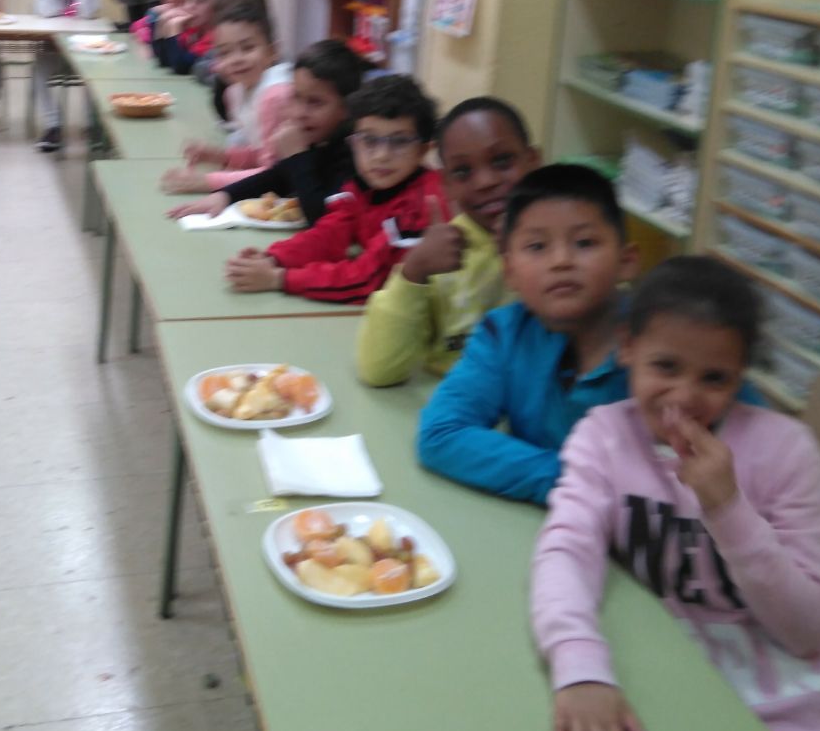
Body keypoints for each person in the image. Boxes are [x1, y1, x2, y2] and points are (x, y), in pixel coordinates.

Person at [532, 256, 820, 731]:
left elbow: (808, 632)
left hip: (807, 716)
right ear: (628, 347)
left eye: (714, 378)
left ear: (740, 376)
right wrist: (578, 665)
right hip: (682, 694)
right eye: (666, 367)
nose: (685, 397)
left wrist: (728, 509)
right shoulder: (602, 438)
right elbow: (566, 552)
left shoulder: (787, 453)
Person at [417, 164, 640, 502]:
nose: (561, 260)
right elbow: (441, 434)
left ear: (626, 261)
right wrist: (575, 482)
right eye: (537, 247)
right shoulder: (504, 333)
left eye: (584, 242)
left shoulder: (665, 347)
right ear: (509, 271)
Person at [356, 96, 541, 387]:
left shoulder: (566, 240)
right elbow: (379, 370)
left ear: (533, 161)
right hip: (458, 404)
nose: (486, 181)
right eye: (463, 171)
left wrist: (528, 251)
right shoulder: (441, 257)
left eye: (502, 161)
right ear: (447, 185)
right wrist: (414, 271)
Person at [225, 73, 441, 305]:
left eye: (399, 142)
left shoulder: (422, 205)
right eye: (369, 140)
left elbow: (370, 281)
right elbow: (328, 234)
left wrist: (279, 278)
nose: (381, 156)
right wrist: (274, 258)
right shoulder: (360, 188)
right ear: (354, 144)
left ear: (423, 150)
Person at [168, 39, 366, 227]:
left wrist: (297, 156)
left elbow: (322, 218)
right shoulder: (319, 138)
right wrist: (225, 195)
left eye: (315, 102)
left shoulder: (355, 155)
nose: (299, 112)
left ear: (346, 108)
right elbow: (277, 177)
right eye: (296, 97)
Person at [160, 0, 293, 194]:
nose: (236, 59)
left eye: (248, 48)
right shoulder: (237, 91)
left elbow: (275, 175)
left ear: (273, 51)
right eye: (224, 53)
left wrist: (207, 182)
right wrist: (221, 156)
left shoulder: (275, 96)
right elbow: (263, 154)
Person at [33, 0, 104, 152]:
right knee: (38, 72)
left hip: (84, 50)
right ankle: (53, 125)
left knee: (96, 75)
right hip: (53, 50)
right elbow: (47, 11)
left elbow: (86, 13)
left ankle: (93, 124)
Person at [156, 0, 221, 78]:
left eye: (200, 1)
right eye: (186, 0)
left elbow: (181, 67)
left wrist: (174, 30)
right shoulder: (194, 29)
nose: (189, 7)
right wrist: (162, 23)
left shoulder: (215, 35)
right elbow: (164, 61)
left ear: (217, 2)